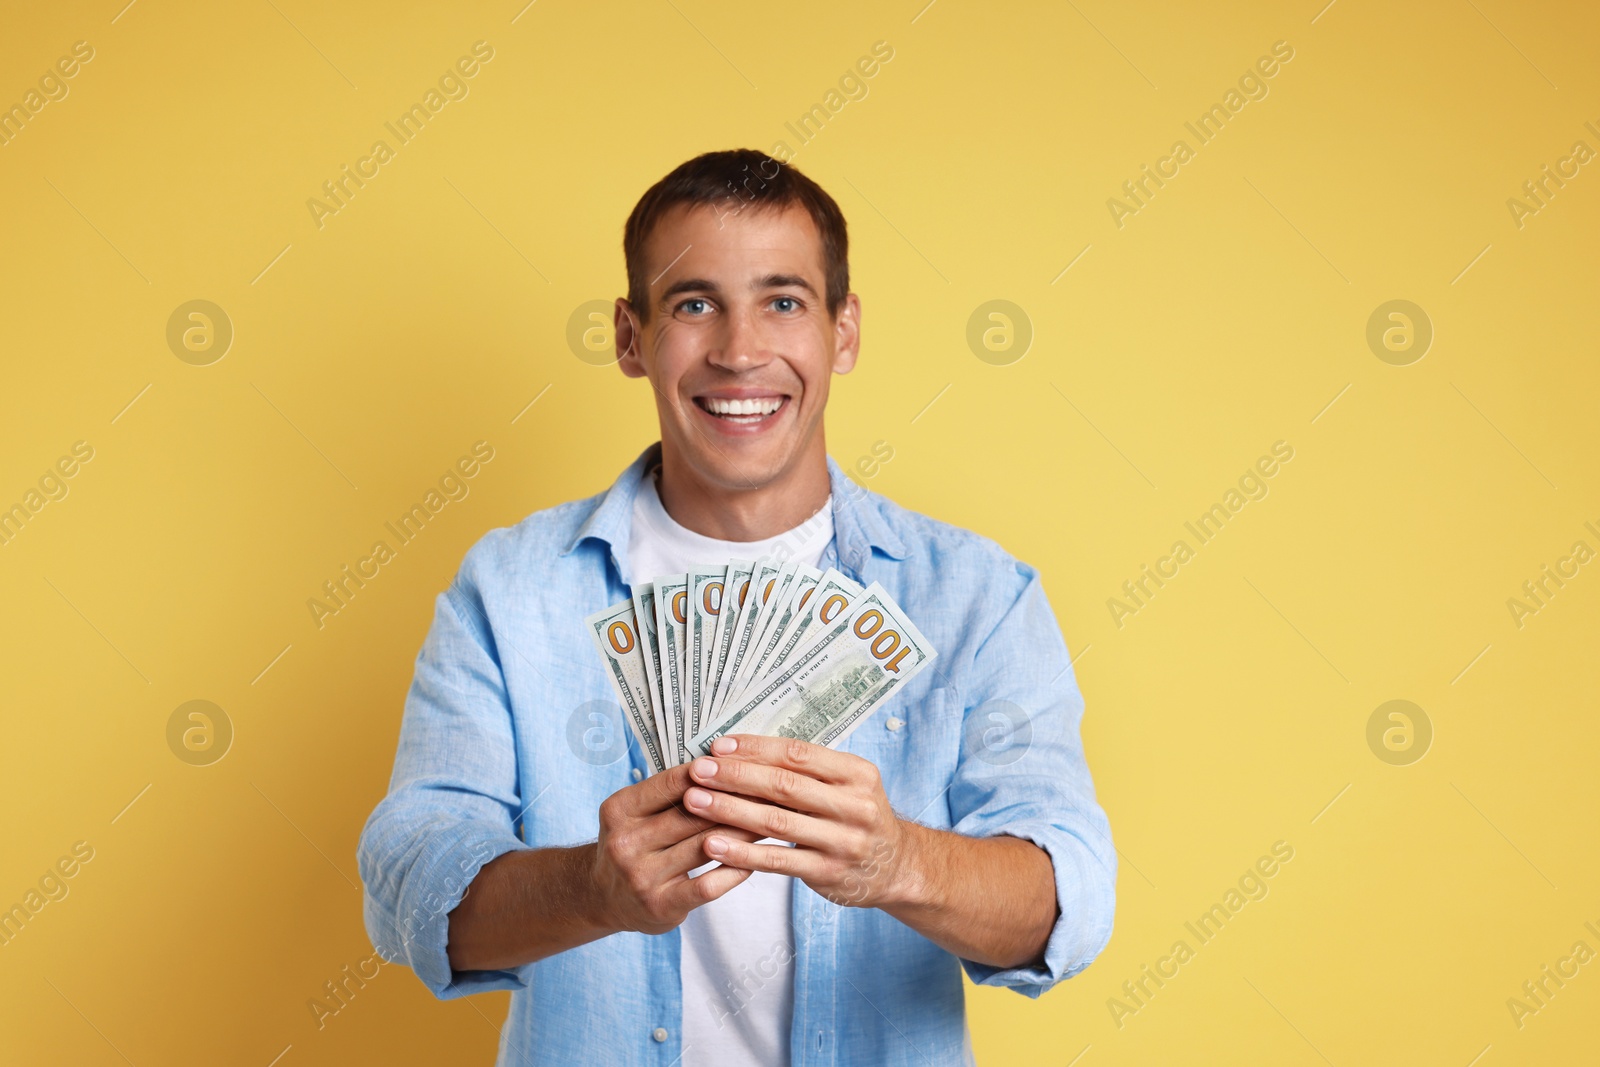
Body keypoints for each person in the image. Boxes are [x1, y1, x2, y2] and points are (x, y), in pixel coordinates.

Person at [357, 148, 1116, 1066]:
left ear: (844, 331)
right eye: (693, 303)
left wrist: (898, 861)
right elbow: (410, 883)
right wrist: (592, 888)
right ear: (631, 339)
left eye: (783, 301)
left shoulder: (978, 596)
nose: (740, 350)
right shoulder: (512, 589)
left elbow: (1067, 897)